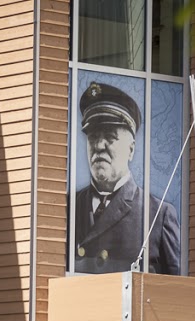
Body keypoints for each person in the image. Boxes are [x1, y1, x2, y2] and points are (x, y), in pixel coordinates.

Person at [74, 81, 181, 275]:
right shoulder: (69, 207)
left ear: (131, 150)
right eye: (92, 137)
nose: (98, 146)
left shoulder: (157, 216)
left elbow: (173, 290)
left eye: (110, 136)